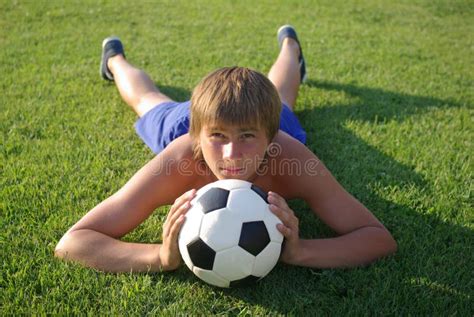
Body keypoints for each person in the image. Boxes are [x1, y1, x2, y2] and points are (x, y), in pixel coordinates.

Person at [55, 25, 397, 272]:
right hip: (186, 123)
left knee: (282, 97)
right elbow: (75, 242)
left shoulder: (288, 157)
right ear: (199, 136)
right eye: (219, 137)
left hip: (261, 120)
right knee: (147, 101)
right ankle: (114, 60)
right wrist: (159, 257)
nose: (232, 155)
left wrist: (301, 251)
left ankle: (290, 46)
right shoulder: (180, 159)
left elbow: (378, 239)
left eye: (247, 137)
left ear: (269, 136)